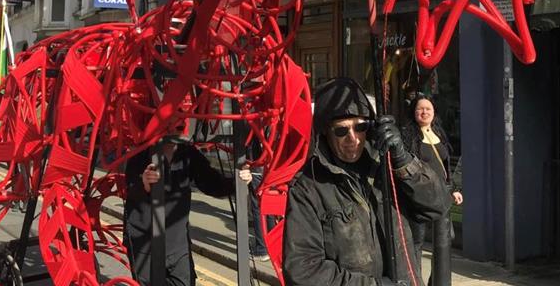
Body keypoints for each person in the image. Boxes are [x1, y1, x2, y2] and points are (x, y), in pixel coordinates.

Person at [282, 77, 450, 286]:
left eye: (360, 127)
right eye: (341, 130)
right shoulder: (309, 187)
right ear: (325, 131)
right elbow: (303, 270)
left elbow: (437, 205)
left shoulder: (386, 166)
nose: (353, 138)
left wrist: (404, 161)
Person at [124, 122, 253, 286]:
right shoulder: (140, 153)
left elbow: (212, 183)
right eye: (171, 123)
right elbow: (130, 188)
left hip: (178, 242)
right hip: (144, 241)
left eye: (180, 124)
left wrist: (239, 182)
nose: (176, 127)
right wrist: (144, 183)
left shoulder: (188, 153)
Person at [400, 93, 462, 285]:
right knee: (416, 243)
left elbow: (444, 166)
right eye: (420, 109)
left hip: (440, 196)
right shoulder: (408, 136)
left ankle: (434, 282)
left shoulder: (438, 133)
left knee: (446, 238)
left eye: (428, 109)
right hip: (418, 198)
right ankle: (415, 282)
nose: (424, 112)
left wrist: (453, 189)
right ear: (414, 112)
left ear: (434, 112)